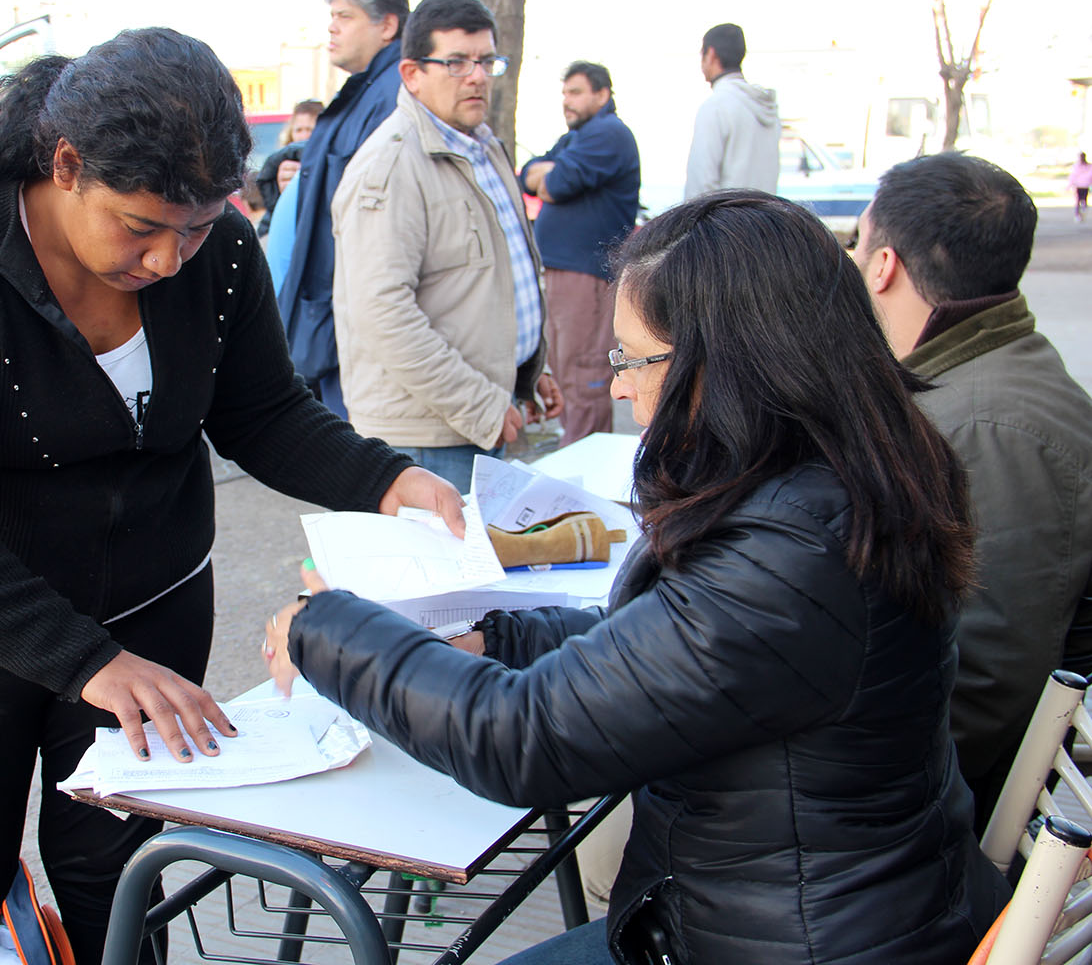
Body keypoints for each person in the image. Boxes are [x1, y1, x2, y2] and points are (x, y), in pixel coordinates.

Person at [0, 29, 465, 965]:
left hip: (153, 599)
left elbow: (263, 412)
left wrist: (385, 478)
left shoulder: (220, 255)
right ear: (66, 166)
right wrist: (87, 659)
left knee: (117, 870)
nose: (171, 259)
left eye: (198, 226)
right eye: (140, 227)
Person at [266, 191, 1009, 964]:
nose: (618, 387)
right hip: (833, 909)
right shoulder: (851, 475)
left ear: (724, 364)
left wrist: (326, 627)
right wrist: (496, 637)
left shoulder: (791, 555)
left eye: (631, 359)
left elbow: (520, 739)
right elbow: (671, 642)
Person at [853, 151, 1092, 826]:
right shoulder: (975, 379)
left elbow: (985, 684)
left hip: (924, 821)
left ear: (883, 266)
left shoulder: (990, 427)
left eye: (857, 244)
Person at [331, 0, 563, 494]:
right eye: (456, 62)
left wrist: (528, 369)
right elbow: (382, 313)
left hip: (480, 416)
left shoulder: (483, 146)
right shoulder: (392, 166)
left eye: (486, 61)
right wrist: (482, 404)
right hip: (426, 439)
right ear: (412, 73)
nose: (476, 76)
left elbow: (491, 279)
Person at [274, 0, 409, 415]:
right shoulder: (365, 91)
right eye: (332, 16)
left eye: (345, 16)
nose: (332, 27)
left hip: (352, 324)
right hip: (330, 318)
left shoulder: (392, 96)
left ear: (387, 25)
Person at [520, 62, 640, 443]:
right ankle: (573, 456)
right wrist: (544, 173)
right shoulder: (578, 136)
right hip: (565, 274)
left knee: (584, 376)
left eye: (575, 92)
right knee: (565, 371)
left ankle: (585, 467)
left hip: (587, 275)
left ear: (602, 94)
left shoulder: (609, 133)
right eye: (564, 93)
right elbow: (526, 175)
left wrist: (549, 175)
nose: (566, 101)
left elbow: (556, 183)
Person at [683, 23, 779, 199]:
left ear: (711, 54)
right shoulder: (767, 107)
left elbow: (701, 186)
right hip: (764, 214)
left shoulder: (716, 107)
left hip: (727, 216)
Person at [255, 98, 324, 236]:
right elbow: (271, 219)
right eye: (299, 130)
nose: (304, 136)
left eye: (310, 129)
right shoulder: (279, 165)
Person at [1070, 150, 1092, 221]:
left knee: (1084, 200)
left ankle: (1082, 211)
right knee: (1077, 201)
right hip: (1078, 186)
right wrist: (1070, 185)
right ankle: (1077, 215)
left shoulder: (1089, 166)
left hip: (1085, 186)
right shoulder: (1076, 166)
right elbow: (1073, 176)